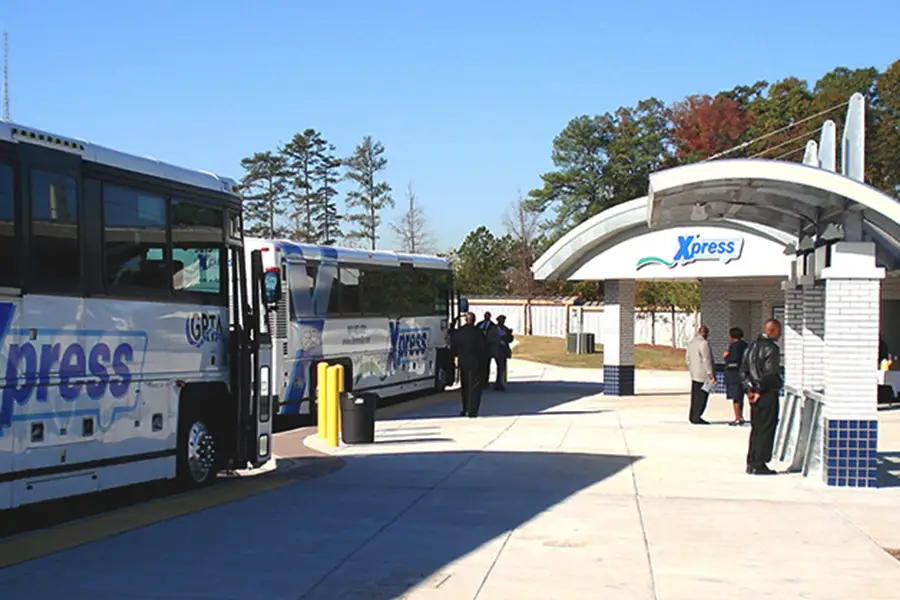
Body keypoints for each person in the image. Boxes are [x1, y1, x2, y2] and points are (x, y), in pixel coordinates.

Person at [739, 318, 783, 475]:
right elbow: (770, 374)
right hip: (766, 394)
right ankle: (760, 463)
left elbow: (743, 371)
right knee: (766, 428)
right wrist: (758, 390)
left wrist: (749, 390)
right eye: (779, 331)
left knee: (756, 428)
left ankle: (752, 461)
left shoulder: (751, 347)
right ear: (772, 330)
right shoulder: (772, 349)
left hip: (754, 395)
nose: (780, 334)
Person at [450, 312, 490, 417]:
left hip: (463, 361)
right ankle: (473, 410)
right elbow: (483, 348)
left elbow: (453, 347)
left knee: (465, 386)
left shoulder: (459, 332)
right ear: (474, 320)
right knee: (475, 386)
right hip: (476, 362)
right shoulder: (478, 332)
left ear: (465, 320)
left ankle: (465, 408)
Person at [686, 325, 715, 424]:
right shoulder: (704, 344)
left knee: (694, 396)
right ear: (706, 333)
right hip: (703, 375)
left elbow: (687, 358)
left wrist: (691, 369)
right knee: (702, 397)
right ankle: (697, 416)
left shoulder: (691, 343)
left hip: (694, 373)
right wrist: (710, 374)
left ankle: (693, 416)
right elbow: (707, 360)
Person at [723, 327, 749, 426]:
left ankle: (738, 417)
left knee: (736, 397)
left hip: (734, 375)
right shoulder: (745, 345)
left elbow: (733, 359)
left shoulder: (734, 346)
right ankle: (741, 416)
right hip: (744, 374)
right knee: (741, 397)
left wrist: (726, 356)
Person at [488, 314, 514, 390]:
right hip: (496, 349)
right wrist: (499, 339)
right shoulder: (493, 329)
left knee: (502, 368)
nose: (502, 322)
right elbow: (489, 338)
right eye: (501, 320)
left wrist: (509, 335)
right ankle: (498, 383)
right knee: (499, 366)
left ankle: (500, 382)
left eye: (503, 320)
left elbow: (509, 340)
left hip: (503, 350)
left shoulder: (505, 329)